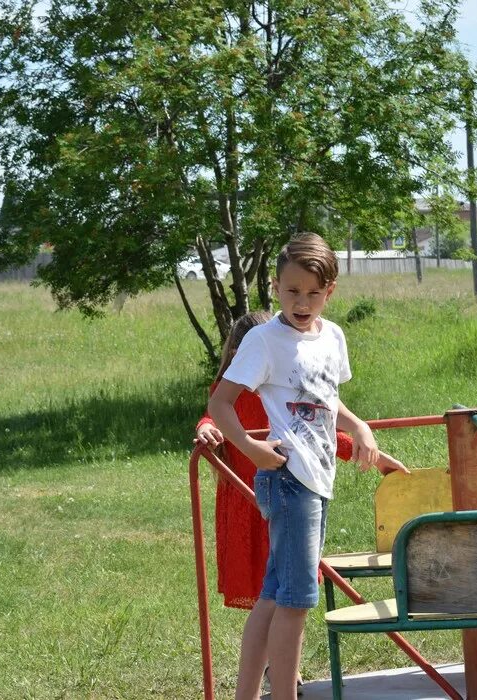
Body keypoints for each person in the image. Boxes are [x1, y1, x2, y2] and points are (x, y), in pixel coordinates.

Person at [207, 233, 406, 700]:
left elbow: (327, 400)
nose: (302, 301)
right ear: (275, 287)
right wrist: (252, 450)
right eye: (292, 291)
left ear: (330, 290)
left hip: (318, 480)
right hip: (288, 479)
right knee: (297, 601)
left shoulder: (332, 336)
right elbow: (221, 403)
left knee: (275, 595)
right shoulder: (264, 339)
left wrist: (360, 429)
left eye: (313, 293)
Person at [196, 311, 405, 611]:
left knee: (284, 591)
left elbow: (319, 434)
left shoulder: (279, 394)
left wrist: (375, 456)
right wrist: (205, 429)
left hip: (283, 497)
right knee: (268, 593)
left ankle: (271, 657)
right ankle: (268, 657)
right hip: (246, 501)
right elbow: (214, 414)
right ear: (236, 355)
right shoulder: (230, 392)